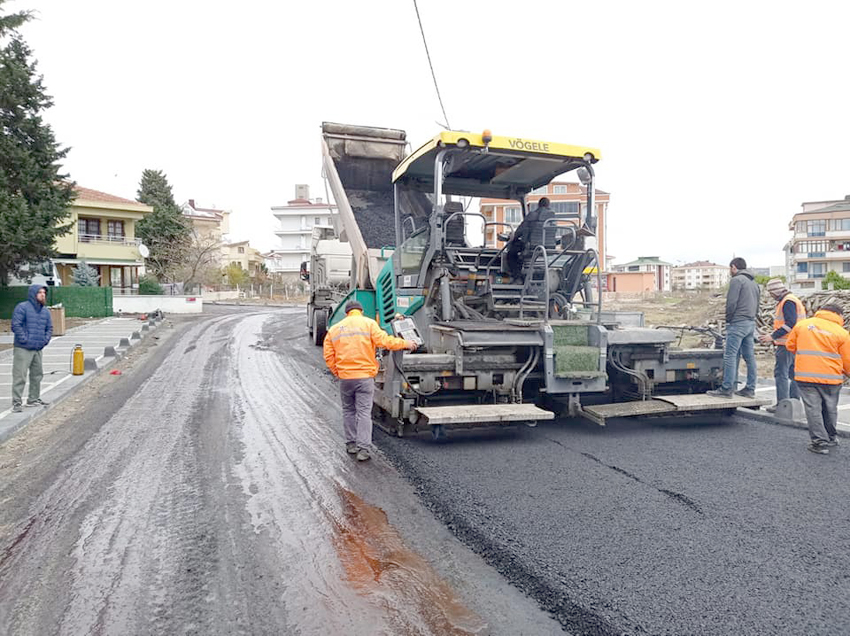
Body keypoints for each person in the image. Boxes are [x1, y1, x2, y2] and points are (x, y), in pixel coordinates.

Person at [323, 300, 416, 461]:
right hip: (365, 378)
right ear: (361, 311)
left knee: (348, 411)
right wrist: (405, 343)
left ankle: (351, 444)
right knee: (364, 412)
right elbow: (386, 342)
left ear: (347, 313)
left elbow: (328, 356)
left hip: (346, 378)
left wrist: (338, 372)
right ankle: (363, 449)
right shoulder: (369, 324)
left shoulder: (335, 329)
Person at [784, 301, 850, 454]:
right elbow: (847, 359)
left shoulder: (803, 325)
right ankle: (831, 437)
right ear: (838, 315)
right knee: (830, 408)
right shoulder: (841, 333)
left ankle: (819, 442)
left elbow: (790, 346)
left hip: (806, 376)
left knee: (813, 409)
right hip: (832, 378)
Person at [707, 257, 760, 398]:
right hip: (750, 323)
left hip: (737, 323)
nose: (730, 271)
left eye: (730, 269)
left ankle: (727, 388)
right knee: (750, 357)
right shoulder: (754, 282)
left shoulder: (737, 280)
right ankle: (750, 389)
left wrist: (729, 320)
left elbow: (731, 303)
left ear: (734, 267)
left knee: (730, 356)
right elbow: (758, 304)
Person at [758, 278, 805, 409]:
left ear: (775, 291)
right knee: (794, 374)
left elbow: (790, 323)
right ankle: (794, 403)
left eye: (771, 293)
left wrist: (772, 336)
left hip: (786, 344)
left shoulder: (787, 302)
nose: (771, 296)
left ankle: (783, 404)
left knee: (781, 373)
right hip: (796, 342)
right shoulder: (792, 299)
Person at [10, 284, 53, 413]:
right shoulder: (22, 307)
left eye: (44, 292)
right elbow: (15, 325)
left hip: (38, 348)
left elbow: (49, 328)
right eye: (40, 292)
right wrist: (24, 339)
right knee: (20, 376)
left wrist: (45, 340)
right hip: (23, 348)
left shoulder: (45, 311)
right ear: (33, 294)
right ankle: (17, 403)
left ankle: (33, 399)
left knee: (37, 375)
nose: (42, 294)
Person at [506, 197, 556, 278]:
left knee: (511, 253)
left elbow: (519, 231)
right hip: (548, 247)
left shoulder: (532, 215)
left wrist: (512, 237)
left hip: (532, 246)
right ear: (548, 205)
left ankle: (516, 276)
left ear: (538, 205)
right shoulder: (552, 218)